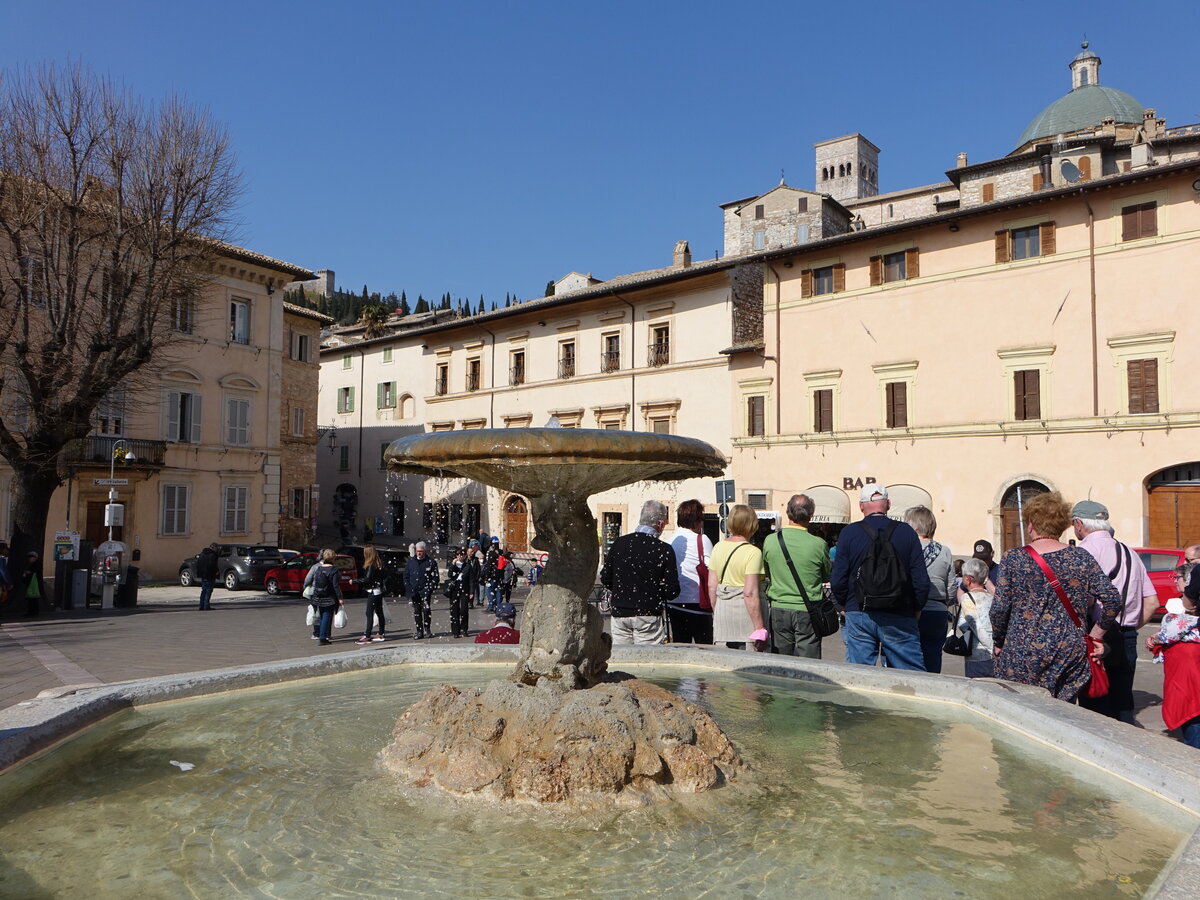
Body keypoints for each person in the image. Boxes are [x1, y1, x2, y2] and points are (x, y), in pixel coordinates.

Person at [990, 492, 1122, 702]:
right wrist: (1096, 636)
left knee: (1021, 710)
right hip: (1069, 650)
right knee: (1062, 711)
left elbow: (999, 609)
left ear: (1031, 524)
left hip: (1022, 648)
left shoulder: (1014, 558)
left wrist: (998, 641)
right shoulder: (1080, 557)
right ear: (1062, 525)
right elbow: (1113, 600)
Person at [1070, 499, 1157, 724]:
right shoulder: (1130, 552)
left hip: (1096, 636)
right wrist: (1128, 627)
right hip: (1126, 636)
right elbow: (1152, 602)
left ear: (1079, 524)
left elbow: (1084, 601)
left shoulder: (1085, 551)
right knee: (1123, 705)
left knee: (1095, 707)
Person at [830, 485, 930, 670]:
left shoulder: (849, 533)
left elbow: (838, 578)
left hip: (859, 611)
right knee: (911, 675)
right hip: (900, 611)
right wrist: (917, 607)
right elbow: (921, 580)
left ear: (861, 506)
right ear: (888, 504)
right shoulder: (906, 532)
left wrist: (845, 605)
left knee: (858, 675)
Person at [761, 493, 831, 658]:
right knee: (810, 662)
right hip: (808, 607)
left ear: (788, 513)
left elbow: (767, 572)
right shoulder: (819, 544)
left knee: (781, 661)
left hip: (779, 606)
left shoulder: (770, 541)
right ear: (811, 515)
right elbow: (826, 576)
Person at [601, 499, 680, 645]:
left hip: (620, 612)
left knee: (622, 660)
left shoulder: (620, 543)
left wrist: (622, 590)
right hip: (647, 613)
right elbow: (672, 591)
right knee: (646, 661)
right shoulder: (663, 549)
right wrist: (655, 591)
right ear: (660, 524)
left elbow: (606, 577)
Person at [1146, 562, 1200, 748]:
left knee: (1193, 711)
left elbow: (1188, 608)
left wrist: (1157, 638)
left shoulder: (1186, 614)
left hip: (1190, 664)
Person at [708, 504, 768, 651]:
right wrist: (760, 628)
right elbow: (750, 593)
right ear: (752, 524)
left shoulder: (717, 547)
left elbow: (711, 585)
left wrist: (718, 610)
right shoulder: (753, 552)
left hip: (723, 613)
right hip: (746, 616)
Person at [905, 506, 954, 674]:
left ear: (914, 526)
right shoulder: (945, 551)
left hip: (910, 610)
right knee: (933, 659)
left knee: (908, 660)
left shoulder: (907, 547)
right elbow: (951, 587)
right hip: (938, 611)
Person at [665, 499, 714, 645]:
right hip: (698, 602)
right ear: (696, 520)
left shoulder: (670, 541)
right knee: (704, 649)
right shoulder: (702, 540)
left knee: (680, 647)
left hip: (675, 603)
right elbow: (712, 570)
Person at [957, 558, 995, 678]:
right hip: (996, 654)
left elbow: (976, 625)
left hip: (978, 654)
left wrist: (990, 648)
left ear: (968, 579)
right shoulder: (991, 597)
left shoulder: (967, 598)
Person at [303, 549, 344, 645]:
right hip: (329, 596)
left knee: (321, 616)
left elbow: (315, 582)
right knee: (327, 616)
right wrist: (340, 598)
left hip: (318, 596)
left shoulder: (318, 568)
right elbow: (336, 586)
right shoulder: (334, 570)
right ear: (333, 557)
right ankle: (322, 637)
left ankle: (321, 635)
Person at [404, 541, 440, 639]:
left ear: (425, 551)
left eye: (421, 551)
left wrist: (429, 588)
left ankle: (427, 629)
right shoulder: (411, 562)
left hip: (425, 591)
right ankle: (419, 631)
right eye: (417, 551)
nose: (419, 553)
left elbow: (435, 578)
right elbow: (406, 576)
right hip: (414, 591)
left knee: (426, 610)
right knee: (417, 611)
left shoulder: (431, 562)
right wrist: (409, 588)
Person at [355, 545, 388, 645]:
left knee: (369, 613)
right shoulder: (379, 564)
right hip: (378, 590)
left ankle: (367, 635)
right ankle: (381, 633)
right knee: (379, 612)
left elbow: (367, 579)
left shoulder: (371, 565)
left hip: (373, 591)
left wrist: (354, 581)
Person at [446, 548, 471, 638]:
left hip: (464, 589)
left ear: (465, 556)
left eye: (462, 554)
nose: (460, 556)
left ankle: (464, 629)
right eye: (458, 554)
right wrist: (453, 565)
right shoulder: (453, 564)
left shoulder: (467, 565)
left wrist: (471, 591)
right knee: (454, 610)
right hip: (454, 589)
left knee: (464, 610)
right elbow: (450, 575)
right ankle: (455, 631)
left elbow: (471, 579)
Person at [196, 542, 219, 611]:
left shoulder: (202, 554)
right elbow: (212, 565)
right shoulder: (212, 555)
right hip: (210, 574)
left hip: (203, 575)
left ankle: (201, 605)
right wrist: (216, 571)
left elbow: (198, 564)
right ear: (213, 547)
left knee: (204, 590)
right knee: (208, 590)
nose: (217, 550)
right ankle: (206, 605)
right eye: (216, 548)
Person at [482, 537, 503, 612]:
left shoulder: (491, 553)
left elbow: (488, 565)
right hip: (499, 575)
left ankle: (491, 606)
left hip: (492, 575)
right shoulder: (500, 552)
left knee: (490, 590)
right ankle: (498, 606)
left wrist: (486, 577)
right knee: (498, 591)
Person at [21, 551, 45, 617]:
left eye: (31, 557)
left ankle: (33, 612)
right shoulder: (30, 564)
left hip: (34, 584)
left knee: (33, 599)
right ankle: (32, 611)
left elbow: (36, 573)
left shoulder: (36, 564)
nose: (30, 559)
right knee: (31, 599)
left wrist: (29, 572)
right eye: (29, 558)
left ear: (35, 558)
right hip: (31, 583)